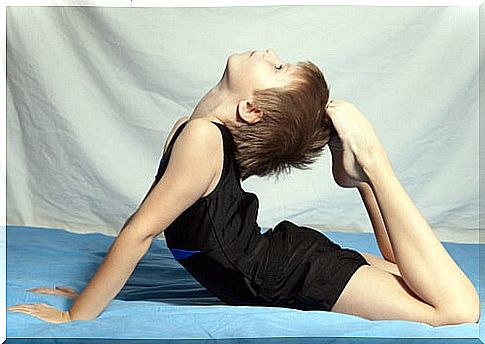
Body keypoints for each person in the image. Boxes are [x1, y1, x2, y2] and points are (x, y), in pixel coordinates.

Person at [7, 49, 480, 326]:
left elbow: (139, 233)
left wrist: (77, 315)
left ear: (251, 110)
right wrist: (94, 293)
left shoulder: (199, 137)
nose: (271, 55)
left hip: (285, 274)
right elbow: (158, 231)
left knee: (455, 310)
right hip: (281, 260)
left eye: (277, 70)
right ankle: (359, 177)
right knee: (414, 275)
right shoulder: (195, 133)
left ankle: (372, 165)